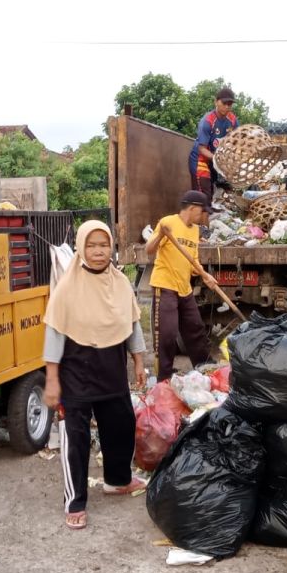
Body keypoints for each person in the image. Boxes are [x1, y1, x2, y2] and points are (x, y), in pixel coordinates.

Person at [42, 220, 148, 530]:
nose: (99, 251)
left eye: (104, 245)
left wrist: (139, 362)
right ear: (80, 247)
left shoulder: (120, 283)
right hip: (77, 370)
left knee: (121, 424)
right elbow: (54, 334)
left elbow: (133, 323)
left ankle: (117, 480)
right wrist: (51, 379)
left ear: (112, 246)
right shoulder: (67, 288)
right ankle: (75, 500)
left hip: (112, 368)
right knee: (76, 436)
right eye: (92, 245)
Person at [146, 190, 216, 381]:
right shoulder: (167, 222)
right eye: (203, 212)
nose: (205, 216)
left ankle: (206, 370)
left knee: (196, 330)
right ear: (193, 208)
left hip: (184, 288)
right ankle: (164, 377)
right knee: (167, 335)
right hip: (165, 286)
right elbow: (149, 250)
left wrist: (204, 275)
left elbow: (193, 260)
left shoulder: (194, 230)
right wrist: (161, 234)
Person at [188, 86, 240, 199]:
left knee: (212, 195)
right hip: (200, 160)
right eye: (224, 103)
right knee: (202, 196)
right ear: (216, 101)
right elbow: (202, 149)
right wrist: (219, 159)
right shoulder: (208, 121)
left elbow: (238, 140)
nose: (227, 107)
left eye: (230, 104)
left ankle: (209, 215)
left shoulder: (232, 120)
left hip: (214, 162)